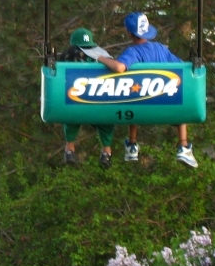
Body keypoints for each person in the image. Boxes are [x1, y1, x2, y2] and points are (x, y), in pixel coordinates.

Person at [98, 12, 199, 169]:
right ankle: (184, 147)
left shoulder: (132, 52)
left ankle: (132, 144)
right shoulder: (161, 49)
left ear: (129, 32)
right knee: (177, 96)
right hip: (167, 106)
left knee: (134, 93)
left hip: (142, 109)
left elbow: (119, 68)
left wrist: (101, 58)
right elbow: (181, 67)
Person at [59, 28, 118, 167]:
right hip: (99, 100)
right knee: (106, 121)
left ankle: (69, 149)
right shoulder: (101, 55)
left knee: (71, 118)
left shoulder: (68, 54)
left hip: (76, 100)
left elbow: (57, 72)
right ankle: (106, 152)